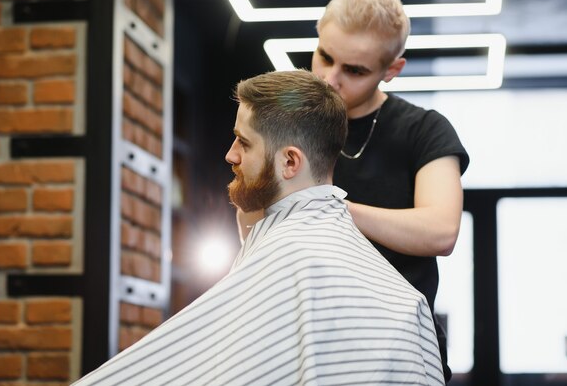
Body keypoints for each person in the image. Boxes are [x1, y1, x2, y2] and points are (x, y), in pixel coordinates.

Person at [72, 70, 444, 385]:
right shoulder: (401, 295)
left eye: (244, 143)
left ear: (289, 162)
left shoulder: (292, 262)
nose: (230, 154)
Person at [239, 0, 469, 382]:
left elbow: (440, 231)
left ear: (391, 70)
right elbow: (254, 229)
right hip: (299, 343)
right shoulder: (285, 125)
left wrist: (327, 205)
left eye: (355, 70)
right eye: (325, 56)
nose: (330, 78)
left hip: (399, 351)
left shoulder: (424, 130)